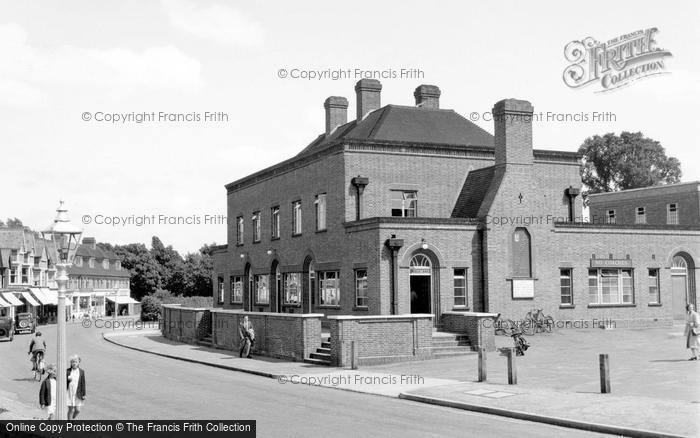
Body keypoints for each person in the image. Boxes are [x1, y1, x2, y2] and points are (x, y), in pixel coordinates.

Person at [66, 355, 86, 419]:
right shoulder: (67, 371)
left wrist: (84, 394)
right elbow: (63, 382)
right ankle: (69, 424)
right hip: (69, 392)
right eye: (73, 362)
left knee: (78, 410)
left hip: (78, 393)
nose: (74, 363)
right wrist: (67, 380)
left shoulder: (81, 372)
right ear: (71, 363)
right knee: (71, 410)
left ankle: (71, 419)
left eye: (76, 362)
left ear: (78, 363)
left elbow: (83, 383)